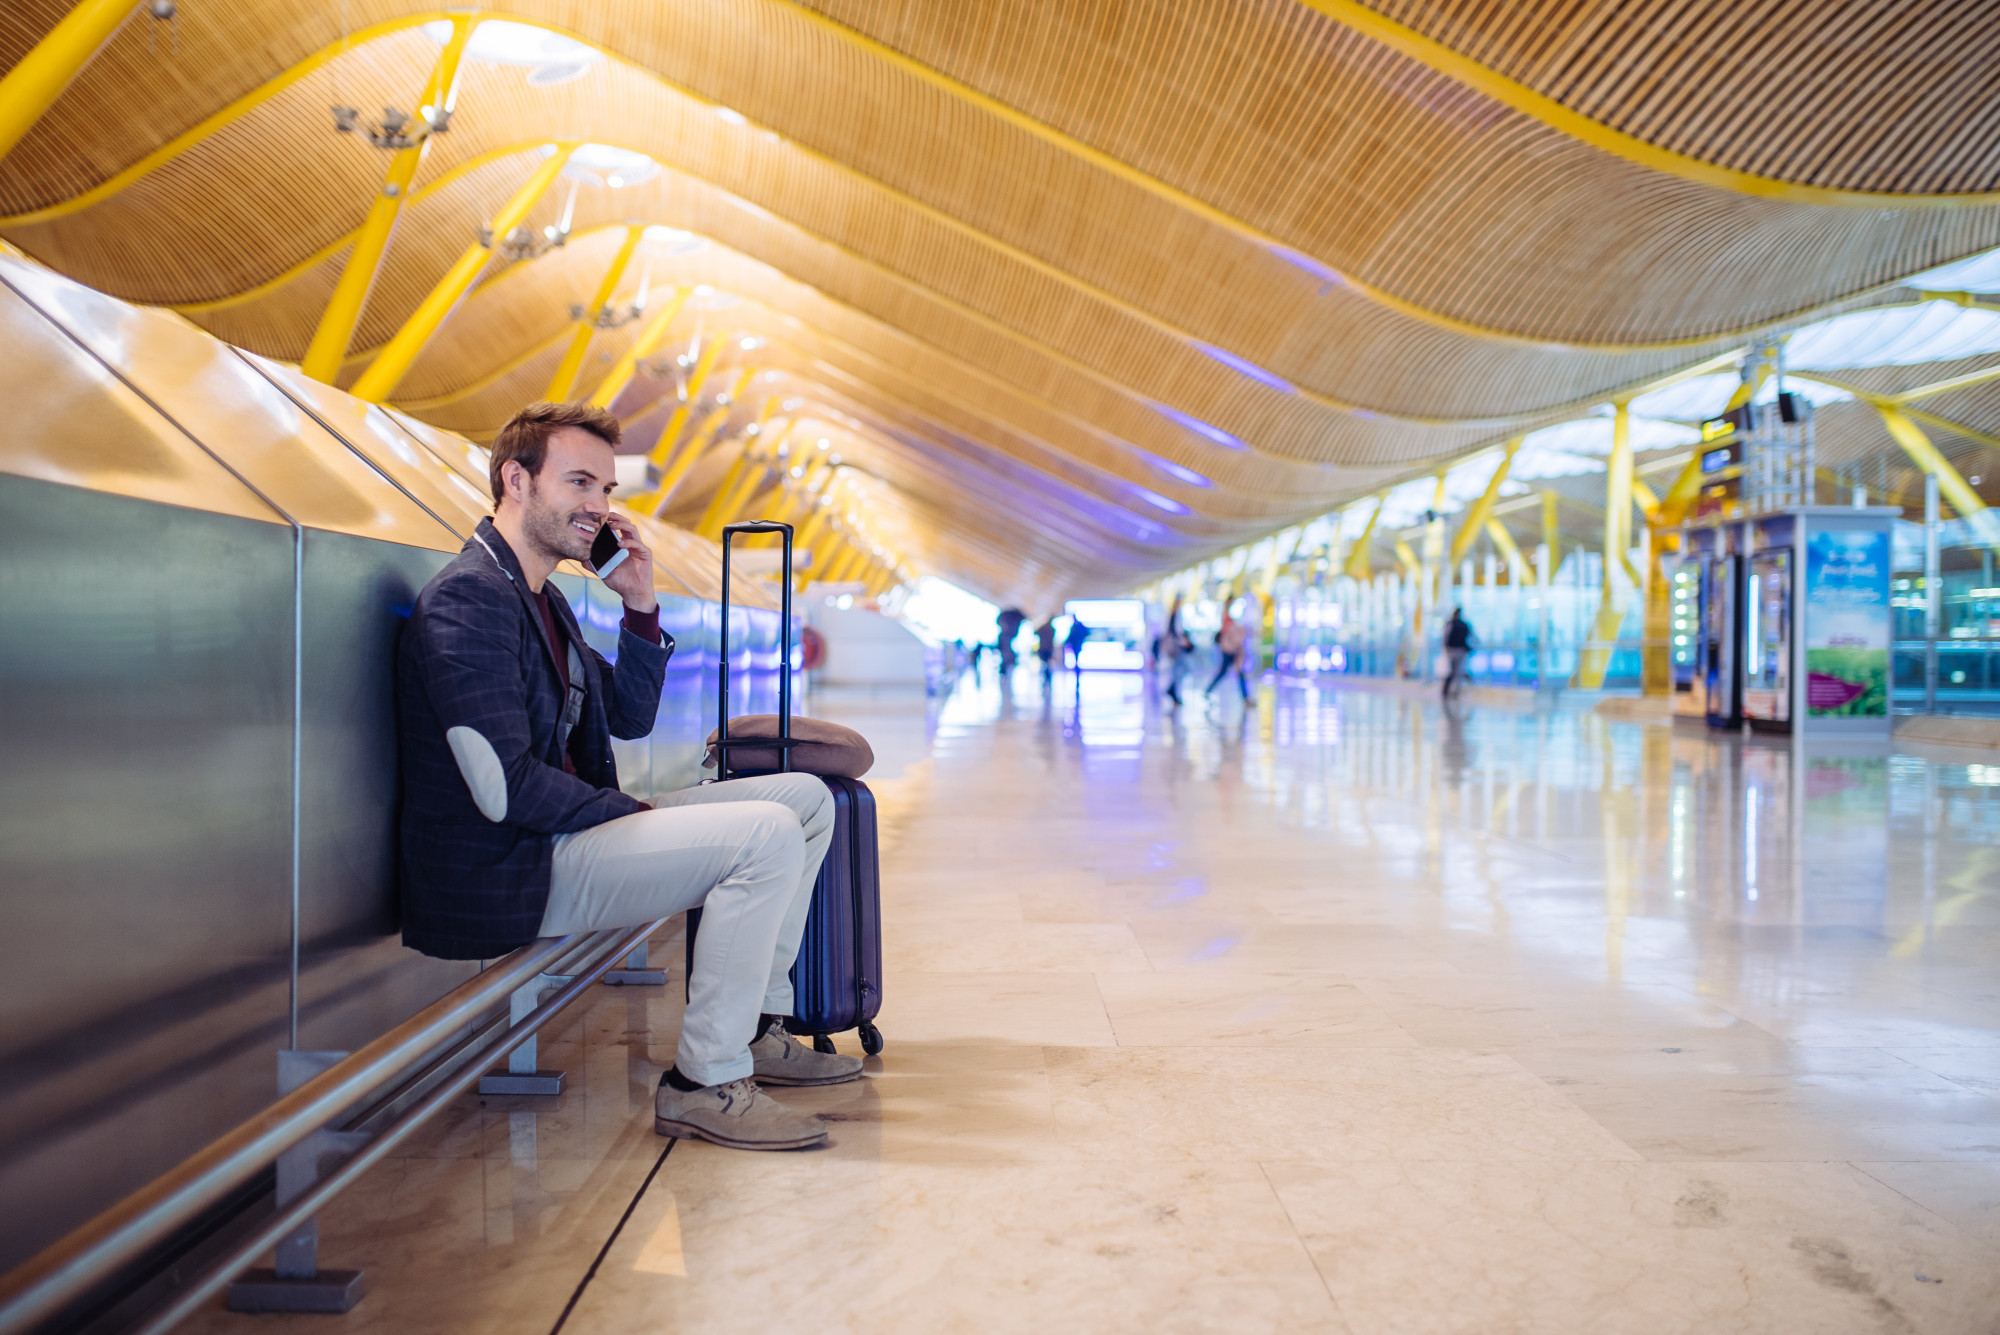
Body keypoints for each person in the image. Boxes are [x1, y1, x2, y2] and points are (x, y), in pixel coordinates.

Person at [396, 401, 860, 1154]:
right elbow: (504, 788)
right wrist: (628, 808)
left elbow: (629, 715)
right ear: (516, 480)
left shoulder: (541, 598)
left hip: (569, 834)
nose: (599, 507)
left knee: (805, 799)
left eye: (607, 489)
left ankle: (758, 1026)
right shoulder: (468, 600)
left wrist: (640, 604)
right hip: (514, 863)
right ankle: (704, 1079)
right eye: (580, 482)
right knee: (764, 831)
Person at [1206, 601, 1252, 699]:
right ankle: (1208, 690)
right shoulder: (1226, 619)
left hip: (1231, 649)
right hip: (1229, 649)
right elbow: (1227, 634)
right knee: (1226, 672)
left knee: (1238, 673)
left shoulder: (1228, 619)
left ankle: (1245, 697)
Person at [1162, 597, 1194, 705]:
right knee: (1181, 669)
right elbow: (1175, 633)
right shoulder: (1173, 617)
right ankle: (1172, 690)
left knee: (1180, 670)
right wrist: (1183, 641)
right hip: (1176, 648)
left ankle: (1172, 689)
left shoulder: (1177, 616)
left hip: (1178, 648)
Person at [1442, 606, 1475, 698]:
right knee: (1457, 672)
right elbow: (1472, 636)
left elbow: (1446, 637)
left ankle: (1449, 691)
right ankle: (1454, 692)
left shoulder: (1451, 624)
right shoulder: (1464, 624)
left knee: (1453, 671)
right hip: (1461, 650)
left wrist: (1446, 647)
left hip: (1453, 650)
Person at [995, 606, 1025, 672]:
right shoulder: (1012, 615)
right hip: (1010, 634)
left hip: (1010, 634)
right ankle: (1007, 663)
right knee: (1005, 648)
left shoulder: (1008, 616)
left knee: (1006, 648)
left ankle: (1007, 663)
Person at [1035, 618, 1056, 683]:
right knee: (1046, 663)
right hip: (1048, 648)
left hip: (1044, 648)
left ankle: (1045, 675)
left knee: (1044, 663)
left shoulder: (1043, 628)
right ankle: (1047, 676)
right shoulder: (1051, 629)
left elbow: (1036, 632)